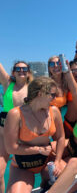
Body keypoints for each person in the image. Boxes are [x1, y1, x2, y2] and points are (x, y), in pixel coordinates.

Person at [4, 76, 65, 193]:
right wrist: (39, 150)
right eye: (52, 95)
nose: (55, 98)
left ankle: (45, 182)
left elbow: (61, 137)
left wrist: (57, 161)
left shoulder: (54, 111)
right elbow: (11, 148)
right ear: (40, 94)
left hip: (48, 161)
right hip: (23, 165)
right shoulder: (16, 114)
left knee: (68, 182)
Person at [0, 61, 32, 193]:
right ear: (13, 72)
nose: (21, 70)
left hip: (23, 138)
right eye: (18, 68)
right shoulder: (7, 83)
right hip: (3, 136)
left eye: (24, 68)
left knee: (28, 174)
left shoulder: (33, 88)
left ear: (28, 71)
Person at [48, 56, 68, 122]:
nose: (55, 66)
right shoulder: (46, 84)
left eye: (58, 63)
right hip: (50, 120)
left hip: (65, 120)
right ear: (49, 68)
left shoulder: (67, 83)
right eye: (52, 64)